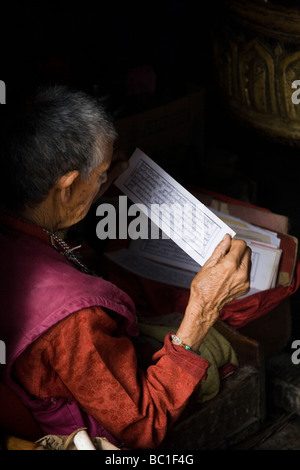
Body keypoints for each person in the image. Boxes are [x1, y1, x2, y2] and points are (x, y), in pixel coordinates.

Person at [0, 85, 251, 450]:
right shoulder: (74, 322)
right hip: (109, 429)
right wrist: (203, 307)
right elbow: (141, 429)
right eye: (102, 173)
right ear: (66, 187)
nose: (109, 176)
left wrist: (94, 186)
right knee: (216, 348)